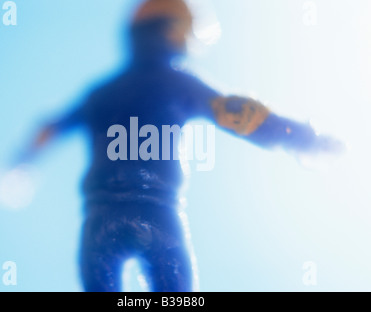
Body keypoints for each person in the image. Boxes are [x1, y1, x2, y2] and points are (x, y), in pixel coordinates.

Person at [18, 0, 345, 292]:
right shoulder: (178, 82)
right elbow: (243, 117)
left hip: (98, 221)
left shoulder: (99, 93)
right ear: (176, 34)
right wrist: (306, 139)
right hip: (158, 214)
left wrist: (21, 163)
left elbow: (49, 129)